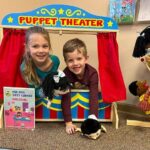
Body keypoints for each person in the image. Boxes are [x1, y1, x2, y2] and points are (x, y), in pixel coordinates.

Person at [20, 26, 76, 134]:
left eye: (45, 46)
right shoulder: (25, 67)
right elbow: (34, 91)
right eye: (35, 46)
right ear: (27, 47)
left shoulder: (55, 61)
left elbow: (54, 80)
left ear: (49, 47)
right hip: (38, 96)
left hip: (53, 93)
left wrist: (59, 88)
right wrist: (49, 92)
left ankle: (68, 120)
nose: (41, 50)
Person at [62, 38, 99, 118]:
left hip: (88, 91)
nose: (75, 63)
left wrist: (92, 118)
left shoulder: (92, 73)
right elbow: (65, 98)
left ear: (86, 59)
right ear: (66, 62)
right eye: (70, 60)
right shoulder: (65, 74)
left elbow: (94, 97)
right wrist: (68, 122)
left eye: (79, 59)